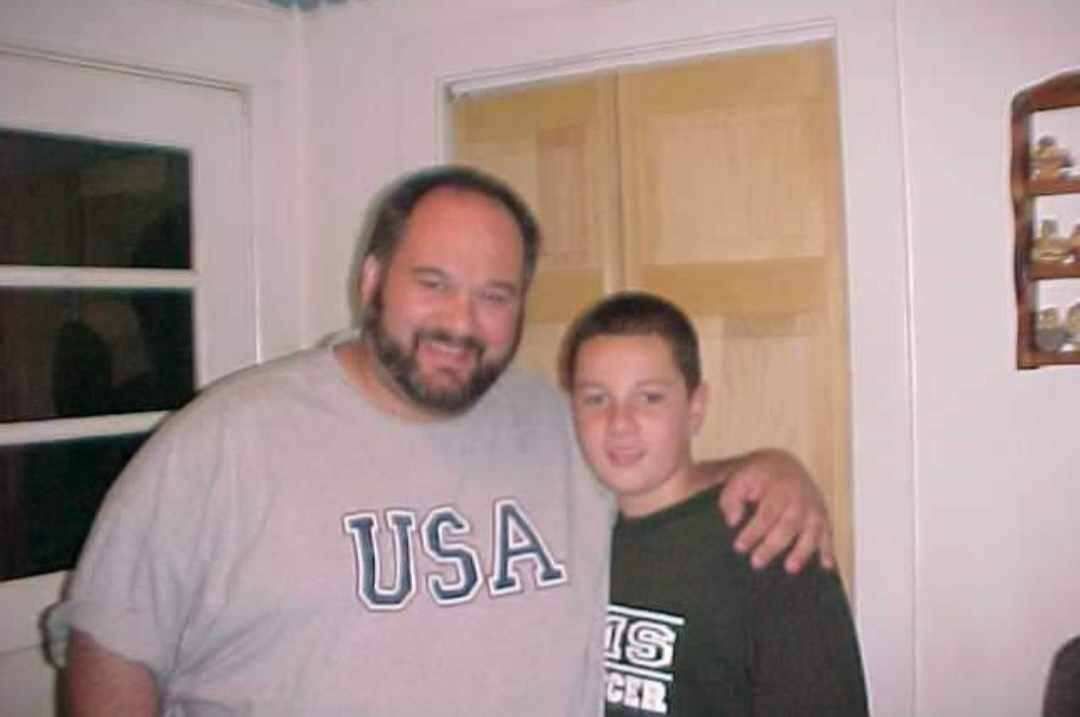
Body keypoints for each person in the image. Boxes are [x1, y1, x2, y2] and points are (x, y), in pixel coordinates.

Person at [50, 166, 835, 716]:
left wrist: (769, 467)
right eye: (434, 284)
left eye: (495, 295)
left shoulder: (557, 423)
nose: (462, 322)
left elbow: (658, 473)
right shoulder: (220, 443)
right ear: (371, 282)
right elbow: (112, 650)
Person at [560, 291, 868, 716]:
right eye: (596, 398)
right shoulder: (561, 533)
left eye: (649, 397)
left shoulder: (771, 539)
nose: (620, 424)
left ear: (696, 407)